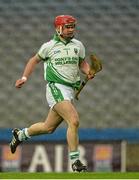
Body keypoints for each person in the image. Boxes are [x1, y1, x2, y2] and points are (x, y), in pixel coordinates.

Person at [9, 15, 94, 172]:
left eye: (73, 26)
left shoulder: (78, 45)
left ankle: (20, 135)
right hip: (56, 87)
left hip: (70, 90)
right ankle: (75, 162)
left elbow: (82, 62)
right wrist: (24, 77)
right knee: (74, 121)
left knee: (48, 128)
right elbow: (33, 60)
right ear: (58, 28)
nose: (71, 29)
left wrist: (88, 71)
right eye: (68, 27)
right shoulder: (49, 46)